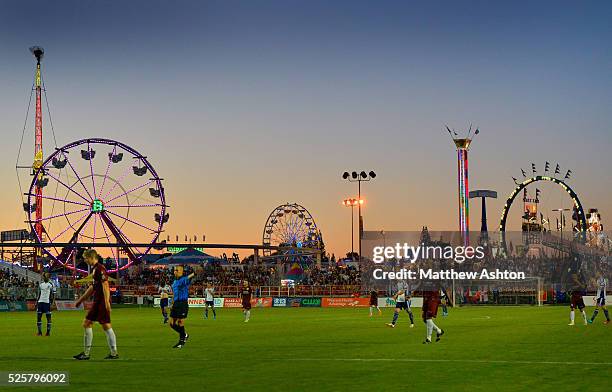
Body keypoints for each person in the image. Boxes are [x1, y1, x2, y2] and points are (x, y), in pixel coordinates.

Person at [73, 249, 118, 360]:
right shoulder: (95, 269)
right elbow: (93, 288)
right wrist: (81, 300)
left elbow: (105, 286)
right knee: (90, 324)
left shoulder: (100, 269)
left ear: (92, 257)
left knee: (103, 325)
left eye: (85, 258)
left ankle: (111, 353)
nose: (85, 260)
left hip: (101, 302)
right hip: (98, 301)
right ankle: (110, 353)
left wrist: (107, 302)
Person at [169, 265, 195, 348]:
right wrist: (172, 303)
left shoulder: (184, 280)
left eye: (178, 270)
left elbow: (189, 277)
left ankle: (181, 342)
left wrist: (194, 273)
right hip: (176, 303)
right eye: (175, 270)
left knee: (180, 321)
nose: (175, 271)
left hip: (182, 303)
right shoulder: (174, 282)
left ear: (181, 272)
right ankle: (185, 335)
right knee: (171, 323)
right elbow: (174, 293)